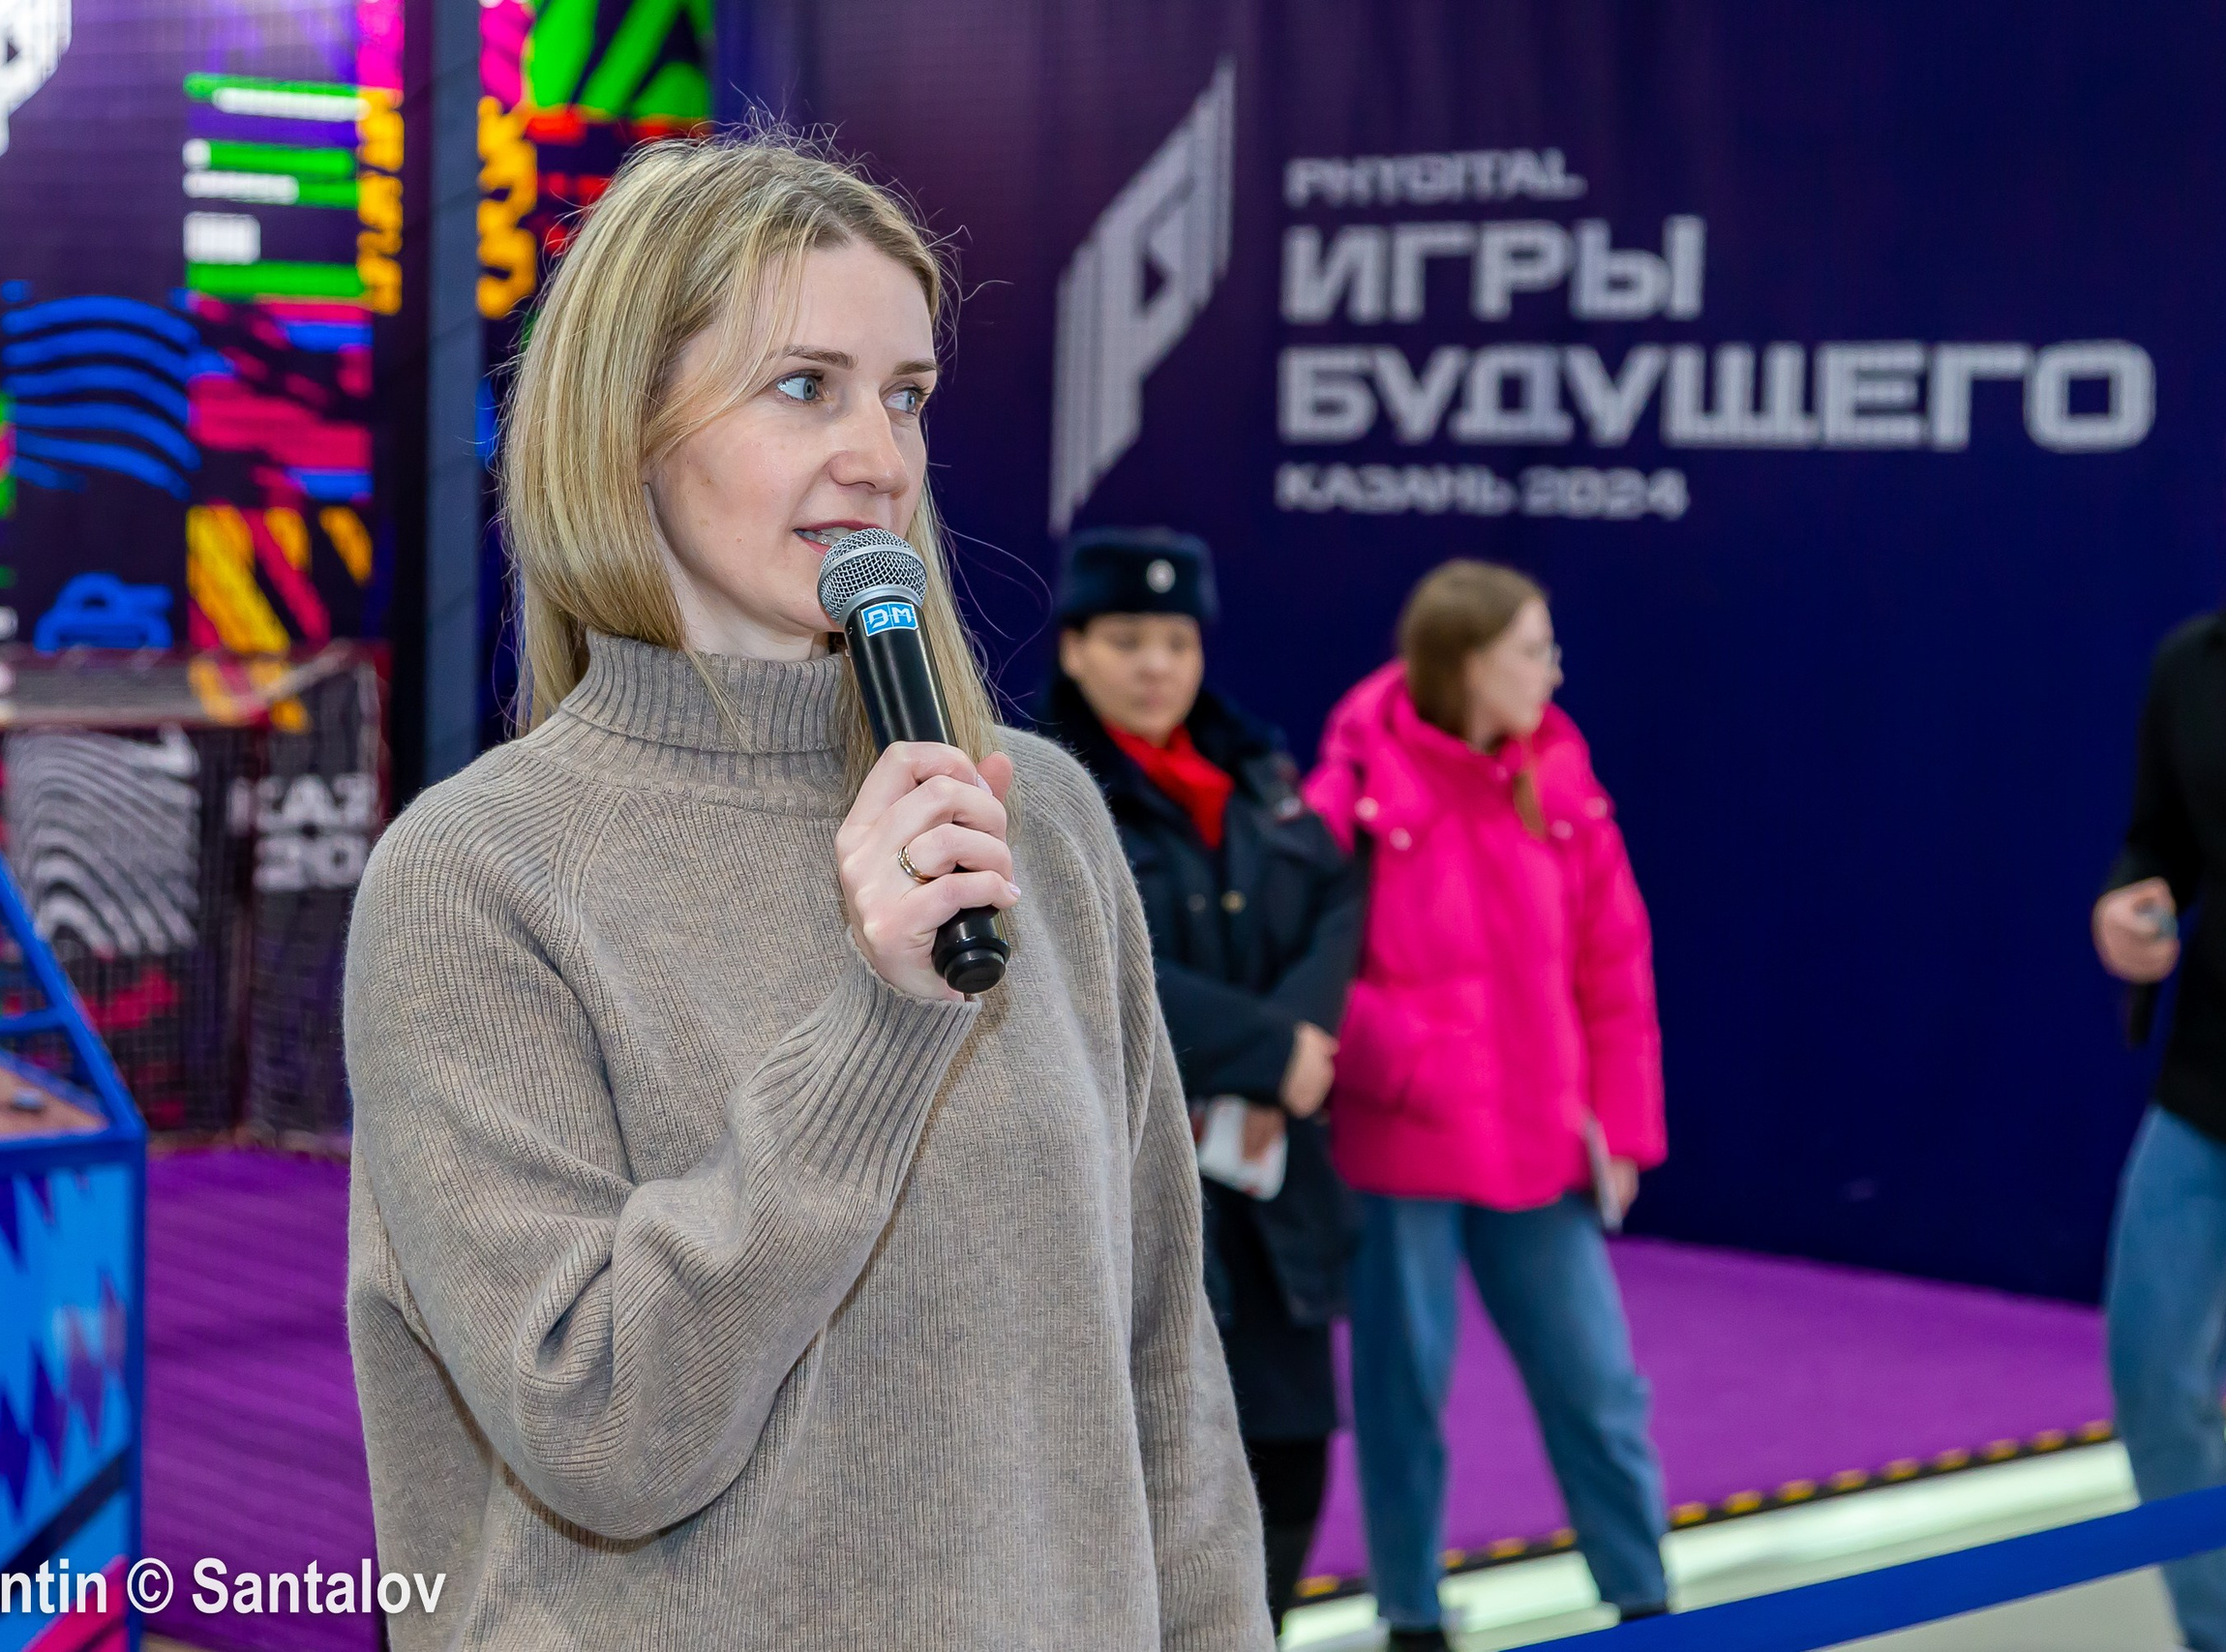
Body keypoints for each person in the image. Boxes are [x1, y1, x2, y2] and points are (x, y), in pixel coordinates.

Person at [341, 134, 1273, 1651]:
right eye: (805, 386)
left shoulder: (1037, 826)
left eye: (904, 395)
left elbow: (1163, 1365)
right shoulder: (475, 877)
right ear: (627, 423)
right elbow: (605, 1430)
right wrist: (878, 1021)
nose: (881, 455)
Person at [1303, 560, 1670, 1649]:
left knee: (1598, 1386)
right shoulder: (1352, 791)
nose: (1552, 670)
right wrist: (1409, 1066)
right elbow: (1311, 966)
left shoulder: (1562, 778)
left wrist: (1623, 1126)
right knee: (1402, 1397)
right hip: (1401, 1146)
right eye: (1530, 650)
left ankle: (1644, 1600)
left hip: (1537, 1143)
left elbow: (1614, 965)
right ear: (1468, 663)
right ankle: (1410, 1613)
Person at [1038, 526, 1364, 1630]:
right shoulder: (1042, 785)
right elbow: (1083, 951)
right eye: (1125, 639)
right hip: (1132, 1190)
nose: (1154, 665)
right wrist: (1269, 1050)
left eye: (1174, 640)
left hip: (1272, 1198)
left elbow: (1334, 901)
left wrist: (1299, 1039)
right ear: (1075, 649)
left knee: (1288, 1470)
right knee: (1156, 1482)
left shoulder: (1259, 773)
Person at [2093, 609, 2226, 1652]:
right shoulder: (2189, 662)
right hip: (2205, 1084)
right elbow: (2159, 839)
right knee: (2153, 1375)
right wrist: (2129, 907)